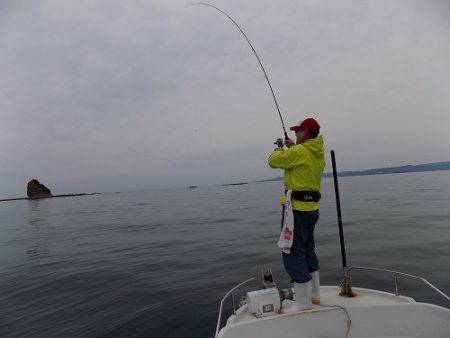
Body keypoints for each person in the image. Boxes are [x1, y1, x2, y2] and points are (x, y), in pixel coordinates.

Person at [268, 117, 326, 313]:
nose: (294, 134)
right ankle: (315, 295)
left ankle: (302, 303)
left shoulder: (299, 151)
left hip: (296, 211)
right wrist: (294, 148)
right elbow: (302, 158)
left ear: (305, 133)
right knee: (308, 250)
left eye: (297, 131)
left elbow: (273, 161)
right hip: (312, 211)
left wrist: (279, 149)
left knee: (292, 252)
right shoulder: (318, 154)